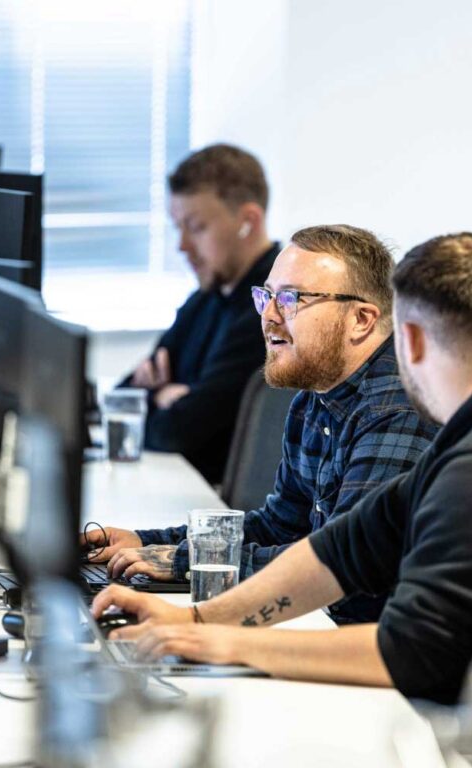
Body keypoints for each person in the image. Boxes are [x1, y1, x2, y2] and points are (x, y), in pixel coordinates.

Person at [92, 232, 472, 704]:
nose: (267, 316)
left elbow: (414, 651)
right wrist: (198, 620)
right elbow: (341, 549)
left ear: (407, 339)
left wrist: (225, 642)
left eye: (290, 299)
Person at [88, 225, 437, 624]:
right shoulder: (313, 399)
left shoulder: (396, 408)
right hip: (322, 625)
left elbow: (344, 568)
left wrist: (184, 561)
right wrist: (146, 543)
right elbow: (279, 527)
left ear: (361, 319)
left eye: (291, 299)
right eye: (266, 296)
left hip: (377, 658)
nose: (269, 316)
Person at [119, 143, 280, 483]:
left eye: (196, 227)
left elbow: (175, 434)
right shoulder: (206, 298)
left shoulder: (270, 311)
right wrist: (163, 395)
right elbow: (122, 398)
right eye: (178, 227)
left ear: (248, 222)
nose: (181, 245)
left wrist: (162, 401)